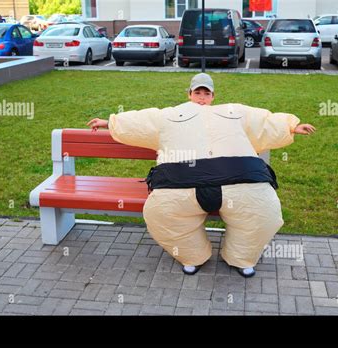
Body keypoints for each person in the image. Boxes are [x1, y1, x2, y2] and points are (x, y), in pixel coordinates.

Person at [87, 73, 316, 278]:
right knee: (162, 213)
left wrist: (291, 126)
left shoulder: (233, 112)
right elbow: (142, 123)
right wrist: (110, 123)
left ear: (213, 96)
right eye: (198, 92)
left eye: (206, 93)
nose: (201, 97)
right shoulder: (170, 115)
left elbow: (262, 122)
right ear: (189, 95)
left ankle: (241, 257)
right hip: (181, 186)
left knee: (263, 212)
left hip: (239, 183)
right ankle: (192, 255)